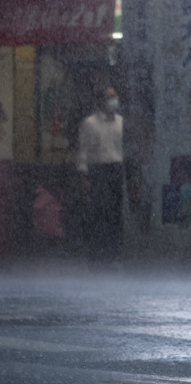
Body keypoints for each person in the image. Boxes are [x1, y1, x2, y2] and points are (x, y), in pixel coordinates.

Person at [76, 87, 124, 263]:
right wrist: (84, 176)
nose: (114, 101)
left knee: (115, 214)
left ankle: (113, 254)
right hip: (98, 170)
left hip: (116, 170)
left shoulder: (121, 122)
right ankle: (97, 255)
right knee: (99, 214)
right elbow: (83, 152)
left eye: (115, 97)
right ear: (101, 101)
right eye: (110, 97)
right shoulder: (89, 123)